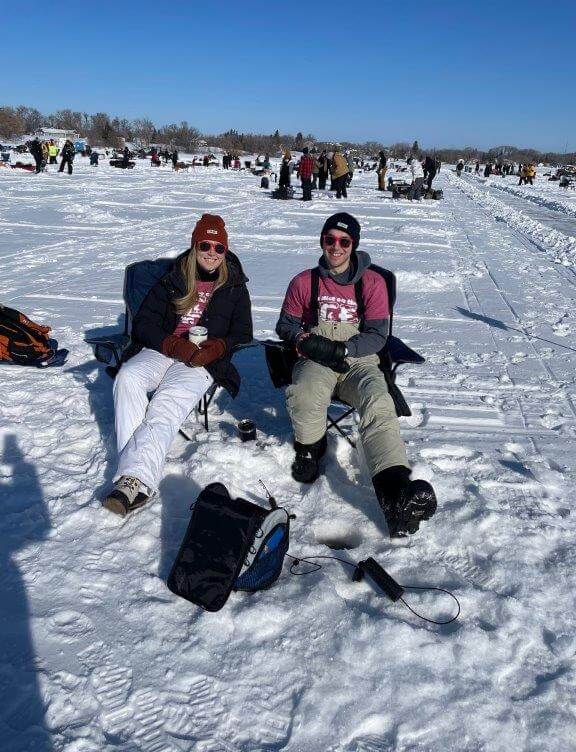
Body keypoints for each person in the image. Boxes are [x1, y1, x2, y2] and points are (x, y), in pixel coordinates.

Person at [275, 212, 437, 538]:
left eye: (344, 241)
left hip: (357, 361)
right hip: (317, 357)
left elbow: (378, 335)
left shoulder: (372, 283)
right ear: (322, 241)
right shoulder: (303, 281)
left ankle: (395, 490)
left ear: (354, 245)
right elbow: (285, 324)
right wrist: (302, 339)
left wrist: (345, 350)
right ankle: (310, 448)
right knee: (305, 392)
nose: (336, 247)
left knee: (378, 399)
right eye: (329, 239)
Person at [103, 214, 253, 516]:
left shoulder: (234, 284)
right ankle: (135, 468)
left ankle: (135, 480)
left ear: (226, 250)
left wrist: (219, 346)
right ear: (195, 245)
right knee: (127, 377)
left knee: (166, 401)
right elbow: (143, 324)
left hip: (202, 360)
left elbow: (243, 332)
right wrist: (172, 343)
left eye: (218, 248)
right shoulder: (174, 277)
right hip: (165, 349)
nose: (211, 253)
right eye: (205, 245)